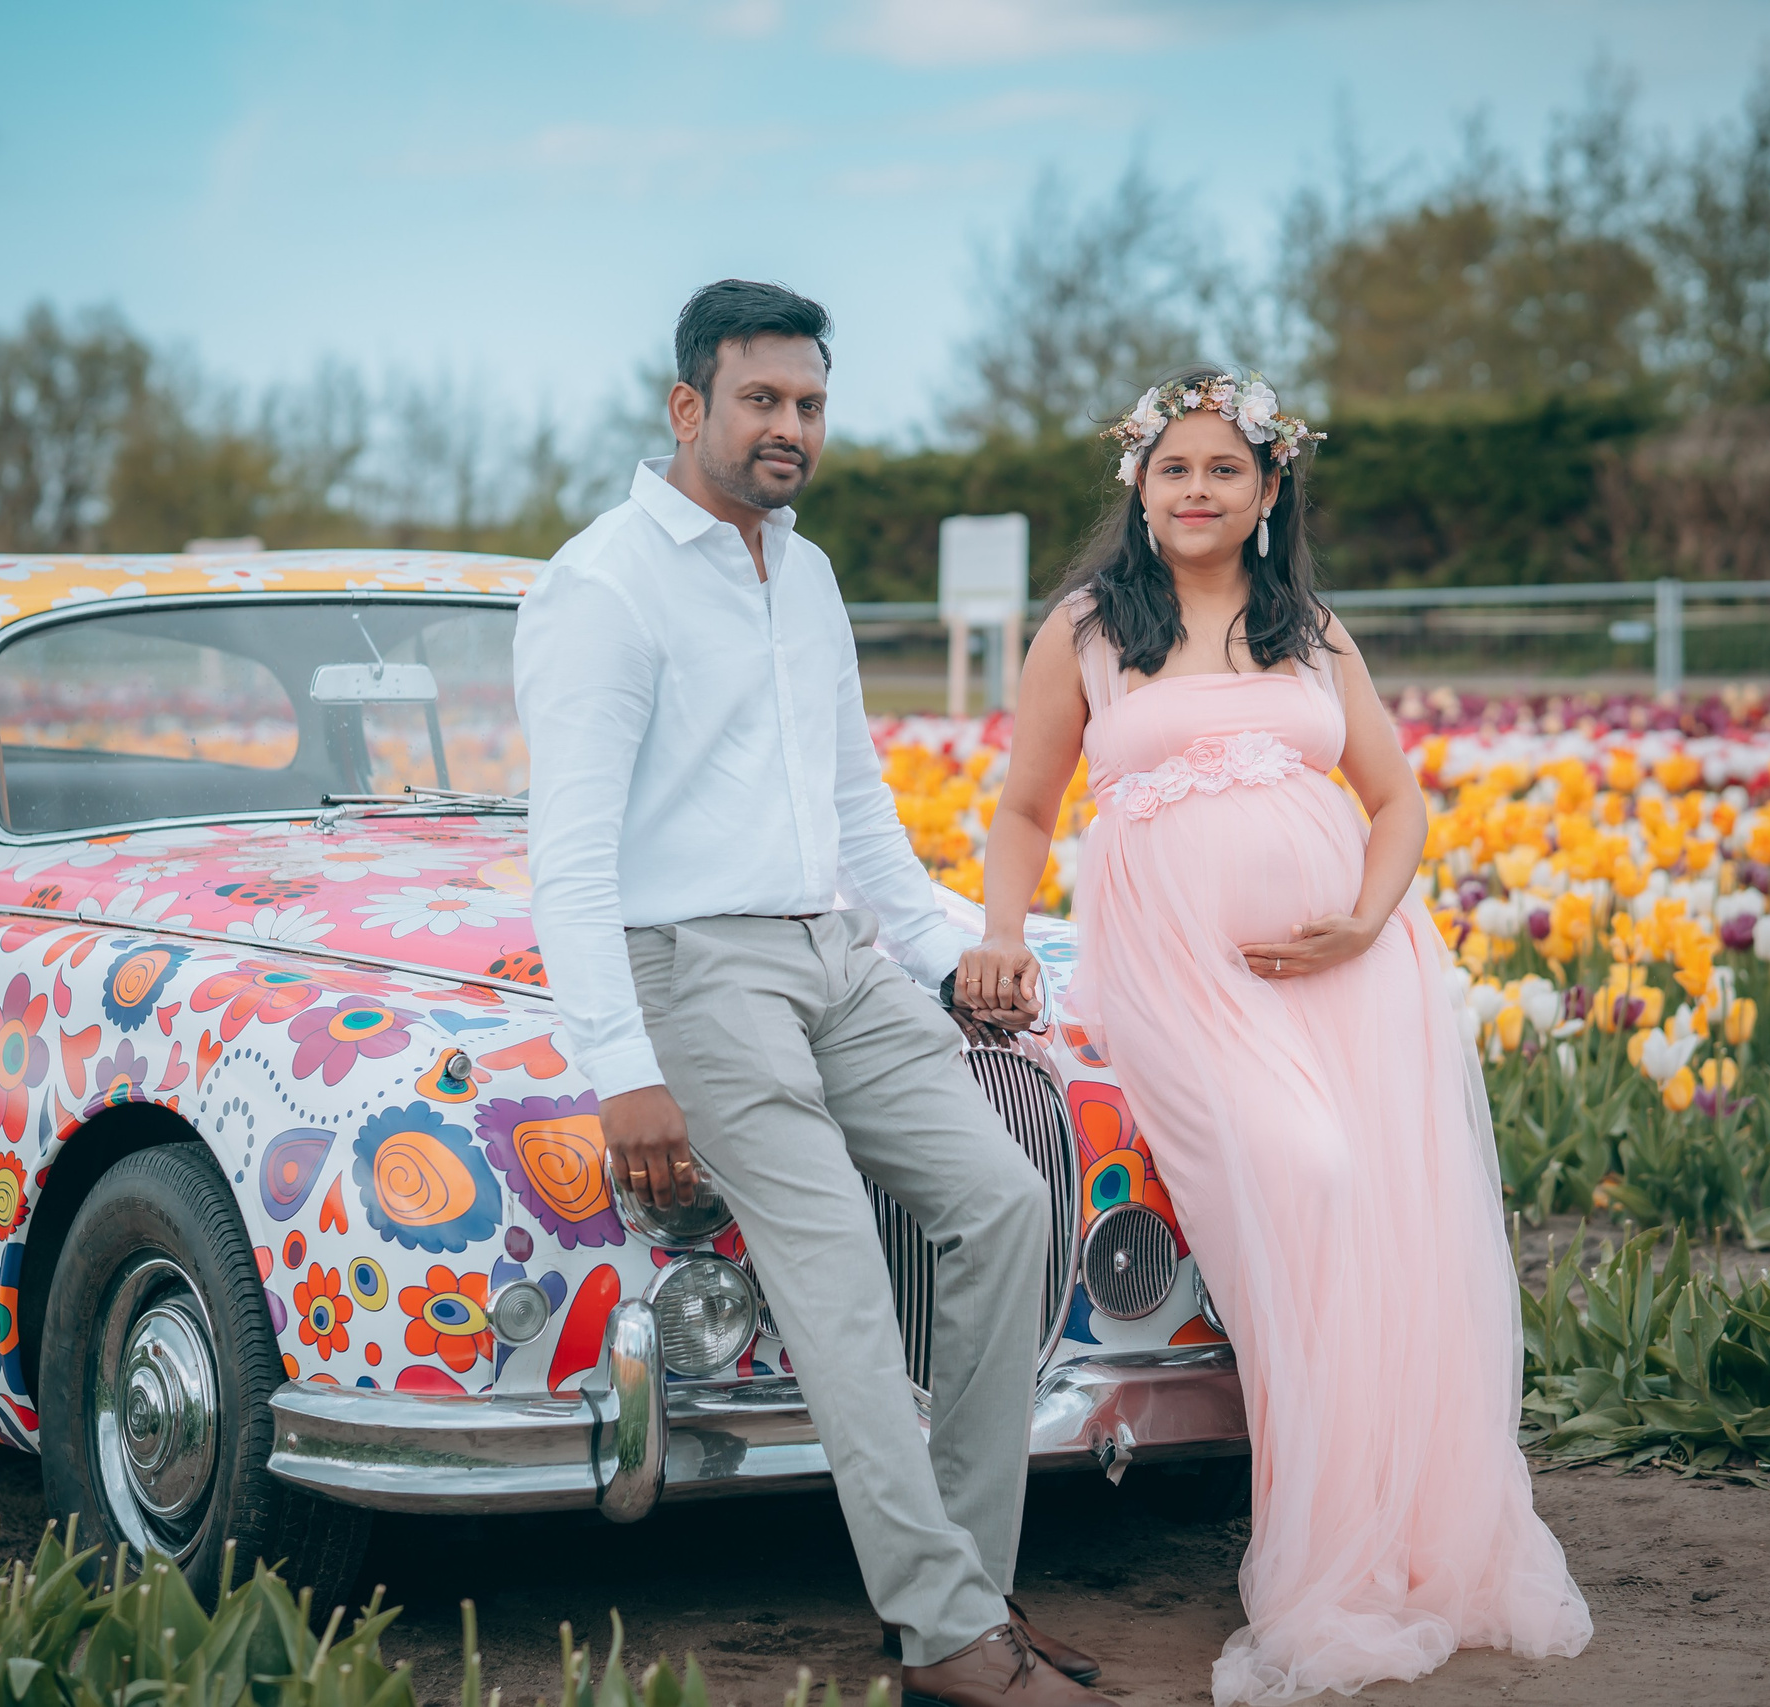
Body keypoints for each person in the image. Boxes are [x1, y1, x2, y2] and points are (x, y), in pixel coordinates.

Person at [957, 368, 1594, 1704]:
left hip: (1352, 971)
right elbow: (1024, 807)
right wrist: (1001, 930)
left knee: (1394, 1220)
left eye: (1224, 469)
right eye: (1174, 466)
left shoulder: (1308, 626)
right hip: (1176, 970)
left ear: (1267, 491)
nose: (1196, 489)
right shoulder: (1086, 627)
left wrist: (1366, 917)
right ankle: (1324, 1543)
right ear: (1139, 481)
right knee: (1307, 1169)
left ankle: (1407, 1530)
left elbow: (1398, 797)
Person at [516, 280, 1108, 1707]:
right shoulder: (603, 584)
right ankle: (955, 1633)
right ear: (688, 408)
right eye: (763, 400)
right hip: (696, 970)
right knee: (838, 1273)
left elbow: (857, 812)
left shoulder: (812, 568)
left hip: (833, 951)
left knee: (1003, 1200)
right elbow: (569, 858)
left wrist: (949, 943)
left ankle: (956, 1603)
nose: (791, 427)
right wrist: (621, 1065)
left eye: (811, 403)